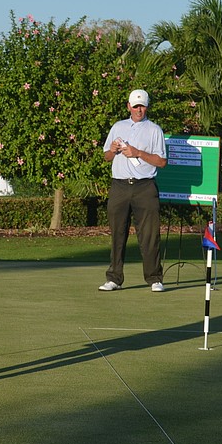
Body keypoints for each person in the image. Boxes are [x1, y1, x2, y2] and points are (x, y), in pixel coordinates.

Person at [99, 89, 168, 293]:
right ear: (129, 106)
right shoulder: (118, 126)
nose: (139, 110)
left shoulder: (154, 130)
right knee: (117, 234)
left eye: (142, 106)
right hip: (119, 186)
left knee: (149, 235)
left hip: (145, 187)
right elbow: (106, 156)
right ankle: (114, 278)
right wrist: (113, 150)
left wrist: (137, 153)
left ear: (147, 107)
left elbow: (161, 161)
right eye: (135, 106)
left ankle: (154, 278)